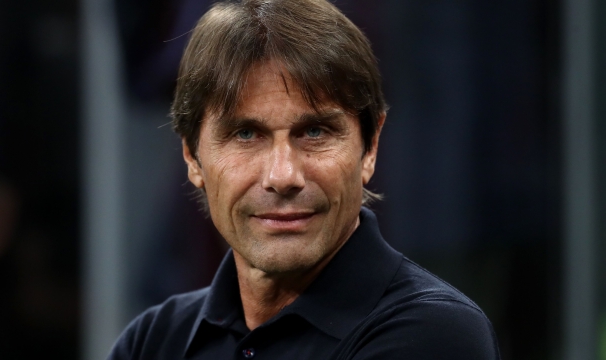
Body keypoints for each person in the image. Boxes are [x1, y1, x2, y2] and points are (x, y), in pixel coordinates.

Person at [108, 0, 501, 359]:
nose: (283, 176)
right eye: (246, 134)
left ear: (370, 148)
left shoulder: (434, 335)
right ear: (192, 156)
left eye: (315, 132)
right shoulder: (154, 339)